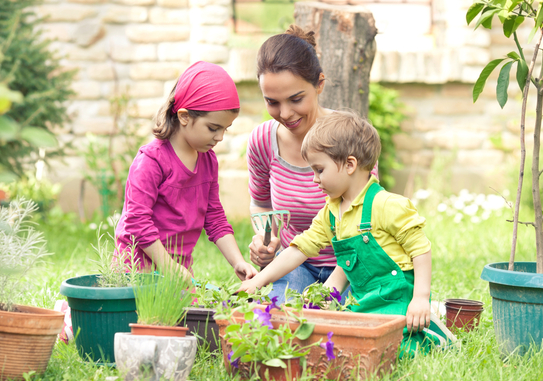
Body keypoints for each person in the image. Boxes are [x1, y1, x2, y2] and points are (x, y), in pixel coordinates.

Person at [241, 110, 446, 356]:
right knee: (344, 345)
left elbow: (420, 249)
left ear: (350, 164)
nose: (315, 179)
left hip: (397, 299)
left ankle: (432, 324)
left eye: (319, 170)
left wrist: (420, 297)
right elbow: (299, 249)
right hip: (363, 301)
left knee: (395, 351)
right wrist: (258, 281)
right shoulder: (331, 212)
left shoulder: (387, 204)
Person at [247, 24, 378, 302]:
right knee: (278, 315)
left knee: (354, 318)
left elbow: (368, 221)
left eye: (296, 99)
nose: (285, 113)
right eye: (272, 102)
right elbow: (261, 203)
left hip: (351, 265)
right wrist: (266, 240)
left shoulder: (349, 137)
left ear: (319, 84)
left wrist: (328, 294)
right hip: (296, 263)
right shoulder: (262, 141)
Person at [115, 61, 257, 281]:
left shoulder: (208, 160)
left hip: (177, 272)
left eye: (224, 129)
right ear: (184, 116)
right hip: (136, 271)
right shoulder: (151, 161)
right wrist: (168, 267)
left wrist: (238, 261)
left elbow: (214, 217)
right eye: (213, 128)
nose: (219, 137)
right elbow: (137, 222)